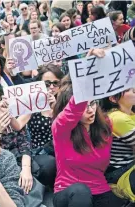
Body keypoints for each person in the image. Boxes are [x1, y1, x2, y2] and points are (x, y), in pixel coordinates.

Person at [51, 56, 125, 206]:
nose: (90, 110)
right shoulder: (60, 129)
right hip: (69, 192)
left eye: (92, 104)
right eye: (84, 107)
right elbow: (75, 106)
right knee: (81, 192)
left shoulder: (105, 126)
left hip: (100, 190)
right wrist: (88, 66)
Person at [101, 88, 135, 202]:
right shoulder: (117, 118)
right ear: (113, 98)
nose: (134, 90)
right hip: (119, 171)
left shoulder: (130, 114)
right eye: (128, 90)